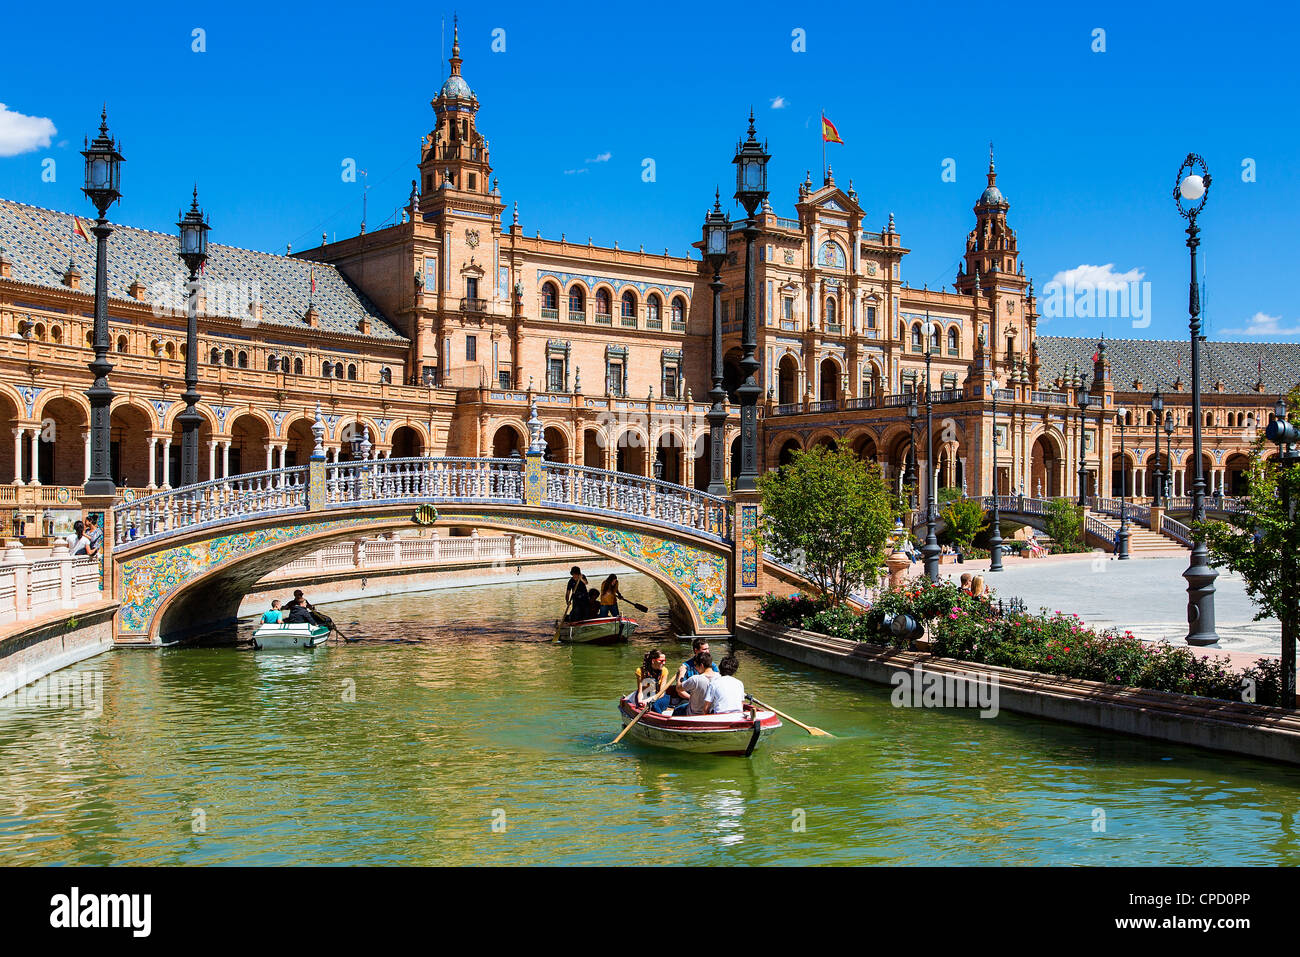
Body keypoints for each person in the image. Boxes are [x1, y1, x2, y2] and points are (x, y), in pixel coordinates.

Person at [672, 651, 716, 716]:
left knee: (677, 710)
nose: (695, 668)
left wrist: (681, 674)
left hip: (693, 714)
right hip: (710, 713)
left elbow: (678, 688)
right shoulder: (719, 678)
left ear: (701, 665)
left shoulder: (695, 679)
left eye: (695, 665)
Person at [633, 649, 674, 714]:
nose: (664, 663)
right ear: (653, 661)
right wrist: (640, 701)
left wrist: (648, 701)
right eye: (661, 661)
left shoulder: (664, 671)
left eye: (665, 660)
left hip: (660, 696)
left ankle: (662, 721)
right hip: (646, 694)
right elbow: (640, 692)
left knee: (654, 706)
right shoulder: (640, 671)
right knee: (640, 706)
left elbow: (661, 693)